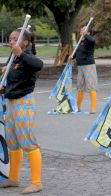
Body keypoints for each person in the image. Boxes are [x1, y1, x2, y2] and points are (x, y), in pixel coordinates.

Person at [0, 28, 43, 194]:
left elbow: (39, 65)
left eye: (15, 39)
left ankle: (37, 182)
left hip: (23, 103)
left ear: (25, 42)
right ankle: (13, 178)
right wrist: (4, 90)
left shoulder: (28, 57)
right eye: (10, 38)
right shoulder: (13, 57)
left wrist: (22, 54)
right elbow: (13, 80)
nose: (11, 41)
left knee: (28, 142)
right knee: (13, 143)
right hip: (10, 102)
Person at [73, 26, 97, 114]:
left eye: (84, 29)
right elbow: (78, 51)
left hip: (89, 65)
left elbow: (92, 40)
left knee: (91, 85)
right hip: (80, 66)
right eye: (81, 29)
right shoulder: (81, 41)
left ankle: (93, 108)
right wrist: (73, 56)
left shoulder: (89, 41)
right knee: (80, 86)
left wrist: (85, 35)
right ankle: (77, 107)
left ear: (88, 33)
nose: (81, 30)